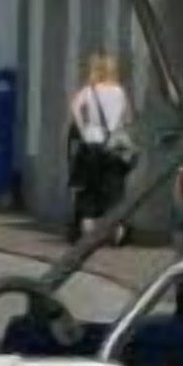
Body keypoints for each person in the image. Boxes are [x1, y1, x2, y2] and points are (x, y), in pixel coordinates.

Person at [65, 53, 135, 242]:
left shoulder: (89, 90)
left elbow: (75, 108)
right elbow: (128, 118)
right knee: (114, 191)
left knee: (88, 191)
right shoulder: (119, 91)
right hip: (113, 147)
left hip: (91, 143)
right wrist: (116, 127)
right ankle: (117, 232)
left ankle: (88, 234)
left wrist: (83, 127)